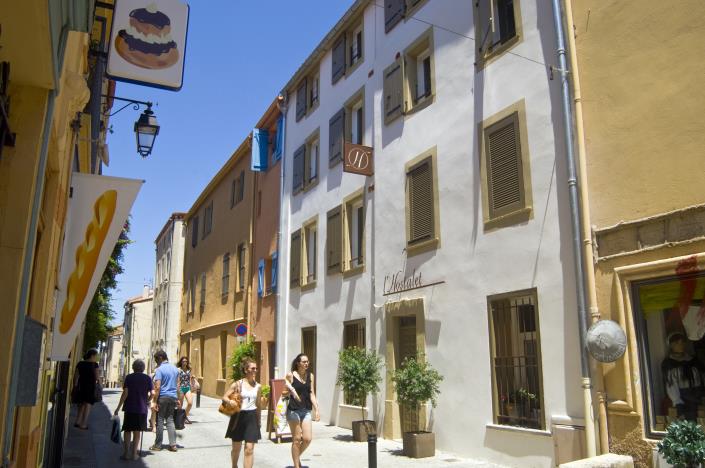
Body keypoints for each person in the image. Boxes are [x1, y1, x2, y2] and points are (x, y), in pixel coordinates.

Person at [222, 358, 267, 468]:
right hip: (238, 417)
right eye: (253, 368)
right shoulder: (238, 384)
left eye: (256, 368)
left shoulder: (258, 386)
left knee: (249, 449)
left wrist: (259, 421)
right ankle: (234, 465)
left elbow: (258, 405)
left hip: (252, 418)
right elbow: (224, 397)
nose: (255, 370)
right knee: (236, 448)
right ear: (246, 370)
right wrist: (230, 401)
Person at [285, 354, 320, 468]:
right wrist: (289, 391)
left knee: (307, 439)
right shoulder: (290, 375)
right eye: (304, 362)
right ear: (298, 363)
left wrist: (316, 409)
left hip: (306, 410)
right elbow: (283, 392)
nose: (307, 364)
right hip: (293, 410)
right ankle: (297, 465)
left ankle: (296, 457)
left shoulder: (310, 376)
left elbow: (312, 394)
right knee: (296, 439)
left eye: (307, 362)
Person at [114, 359, 153, 461]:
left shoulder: (129, 377)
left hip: (129, 408)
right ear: (143, 368)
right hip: (142, 409)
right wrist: (147, 401)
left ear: (133, 367)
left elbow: (125, 393)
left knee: (127, 430)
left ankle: (126, 453)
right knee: (137, 432)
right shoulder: (147, 378)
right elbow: (153, 393)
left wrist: (118, 408)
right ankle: (134, 454)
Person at [662, 332, 704, 420]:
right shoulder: (669, 364)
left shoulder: (693, 361)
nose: (680, 345)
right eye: (677, 343)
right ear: (671, 345)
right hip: (683, 399)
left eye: (682, 342)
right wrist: (678, 402)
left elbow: (700, 378)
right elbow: (671, 385)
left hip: (698, 396)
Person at [149, 350, 181, 452]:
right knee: (170, 420)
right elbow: (178, 385)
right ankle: (173, 445)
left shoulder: (159, 369)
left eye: (156, 359)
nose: (156, 362)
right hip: (172, 397)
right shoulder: (175, 369)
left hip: (162, 397)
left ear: (160, 358)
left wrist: (154, 401)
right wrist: (178, 398)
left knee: (160, 421)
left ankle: (157, 445)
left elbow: (157, 387)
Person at [73, 349, 100, 430]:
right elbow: (97, 377)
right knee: (88, 404)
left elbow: (76, 376)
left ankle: (77, 421)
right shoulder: (95, 365)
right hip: (90, 387)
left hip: (81, 386)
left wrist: (75, 386)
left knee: (81, 404)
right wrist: (100, 385)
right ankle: (83, 424)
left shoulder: (80, 363)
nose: (97, 357)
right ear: (92, 356)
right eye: (96, 356)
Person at [177, 356, 198, 424]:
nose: (184, 362)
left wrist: (192, 377)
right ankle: (178, 419)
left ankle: (184, 416)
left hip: (187, 387)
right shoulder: (178, 370)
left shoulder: (189, 369)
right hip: (181, 388)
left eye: (186, 361)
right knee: (180, 405)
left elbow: (189, 377)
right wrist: (177, 389)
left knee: (190, 403)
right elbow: (178, 380)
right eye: (183, 361)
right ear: (181, 362)